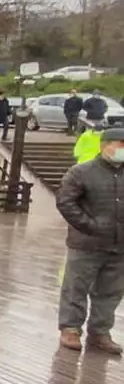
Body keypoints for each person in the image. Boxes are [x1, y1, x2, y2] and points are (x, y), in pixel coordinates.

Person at [54, 127, 124, 355]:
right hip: (86, 243)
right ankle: (71, 329)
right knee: (76, 287)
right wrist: (88, 225)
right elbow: (65, 202)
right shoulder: (81, 172)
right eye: (121, 144)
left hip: (119, 245)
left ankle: (100, 333)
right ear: (106, 145)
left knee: (111, 292)